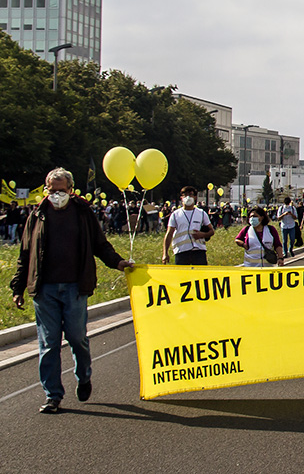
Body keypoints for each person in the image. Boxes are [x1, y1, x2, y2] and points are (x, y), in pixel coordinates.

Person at [9, 168, 133, 414]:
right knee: (49, 343)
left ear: (70, 189)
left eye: (61, 190)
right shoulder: (37, 215)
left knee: (77, 338)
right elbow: (25, 254)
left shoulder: (83, 212)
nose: (56, 195)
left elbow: (100, 244)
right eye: (52, 191)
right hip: (45, 290)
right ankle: (53, 395)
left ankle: (83, 375)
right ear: (47, 190)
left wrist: (118, 263)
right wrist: (18, 287)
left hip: (76, 287)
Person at [161, 186, 215, 265]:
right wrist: (165, 253)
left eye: (190, 194)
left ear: (195, 197)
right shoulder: (175, 215)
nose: (188, 197)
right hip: (181, 251)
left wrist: (202, 234)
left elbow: (211, 231)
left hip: (198, 251)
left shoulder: (202, 213)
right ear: (181, 198)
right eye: (185, 195)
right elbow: (169, 234)